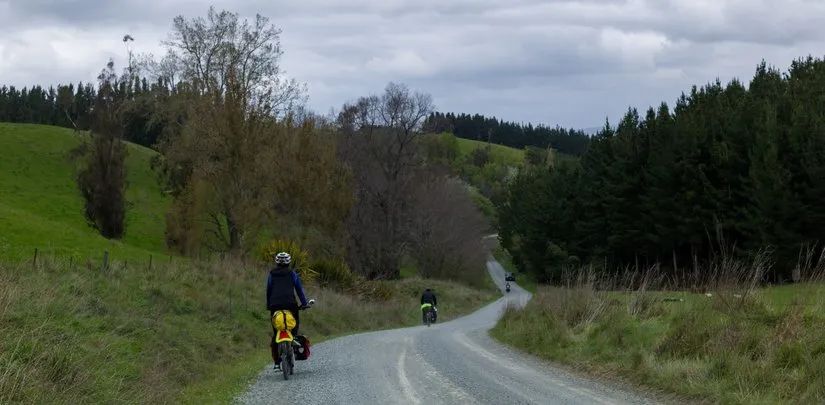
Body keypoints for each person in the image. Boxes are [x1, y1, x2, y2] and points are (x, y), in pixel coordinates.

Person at [266, 252, 308, 369]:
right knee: (294, 324)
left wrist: (269, 305)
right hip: (290, 304)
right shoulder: (292, 274)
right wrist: (304, 304)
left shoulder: (271, 274)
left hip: (275, 305)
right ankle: (293, 338)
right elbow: (299, 290)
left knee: (276, 332)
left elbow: (269, 290)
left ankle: (276, 362)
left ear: (276, 263)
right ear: (289, 263)